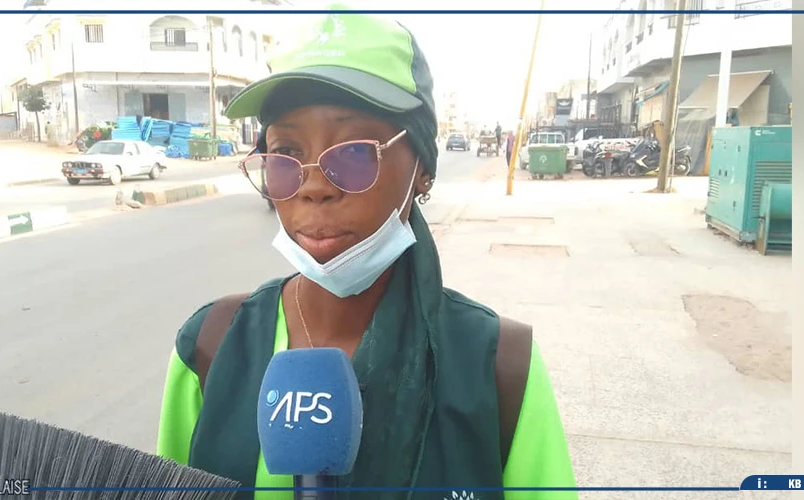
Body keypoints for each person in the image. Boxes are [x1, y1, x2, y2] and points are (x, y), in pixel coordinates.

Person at [156, 9, 576, 499]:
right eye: (286, 153)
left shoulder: (499, 366)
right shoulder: (210, 347)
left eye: (354, 152)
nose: (313, 185)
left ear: (421, 168)